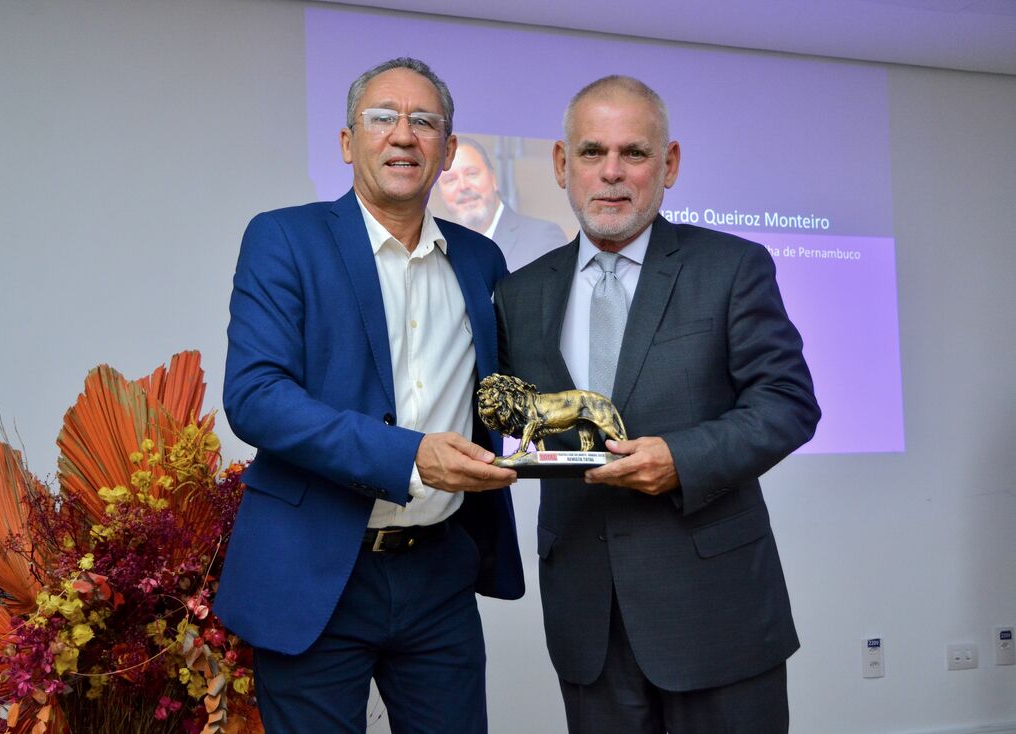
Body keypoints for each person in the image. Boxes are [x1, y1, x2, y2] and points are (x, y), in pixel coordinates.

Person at [493, 75, 820, 733]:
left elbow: (787, 402)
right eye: (591, 152)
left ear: (667, 166)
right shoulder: (519, 294)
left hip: (716, 616)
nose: (612, 173)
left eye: (634, 153)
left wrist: (681, 458)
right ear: (562, 165)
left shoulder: (731, 268)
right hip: (587, 620)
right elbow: (508, 413)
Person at [216, 57, 524, 734]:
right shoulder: (285, 239)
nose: (404, 135)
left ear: (446, 148)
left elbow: (509, 392)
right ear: (347, 141)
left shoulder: (481, 260)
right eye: (383, 117)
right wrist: (409, 456)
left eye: (425, 121)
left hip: (439, 572)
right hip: (316, 568)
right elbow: (256, 396)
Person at [438, 136, 567, 271]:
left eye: (471, 173)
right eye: (450, 180)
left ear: (494, 179)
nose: (463, 186)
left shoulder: (542, 238)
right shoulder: (439, 251)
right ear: (441, 193)